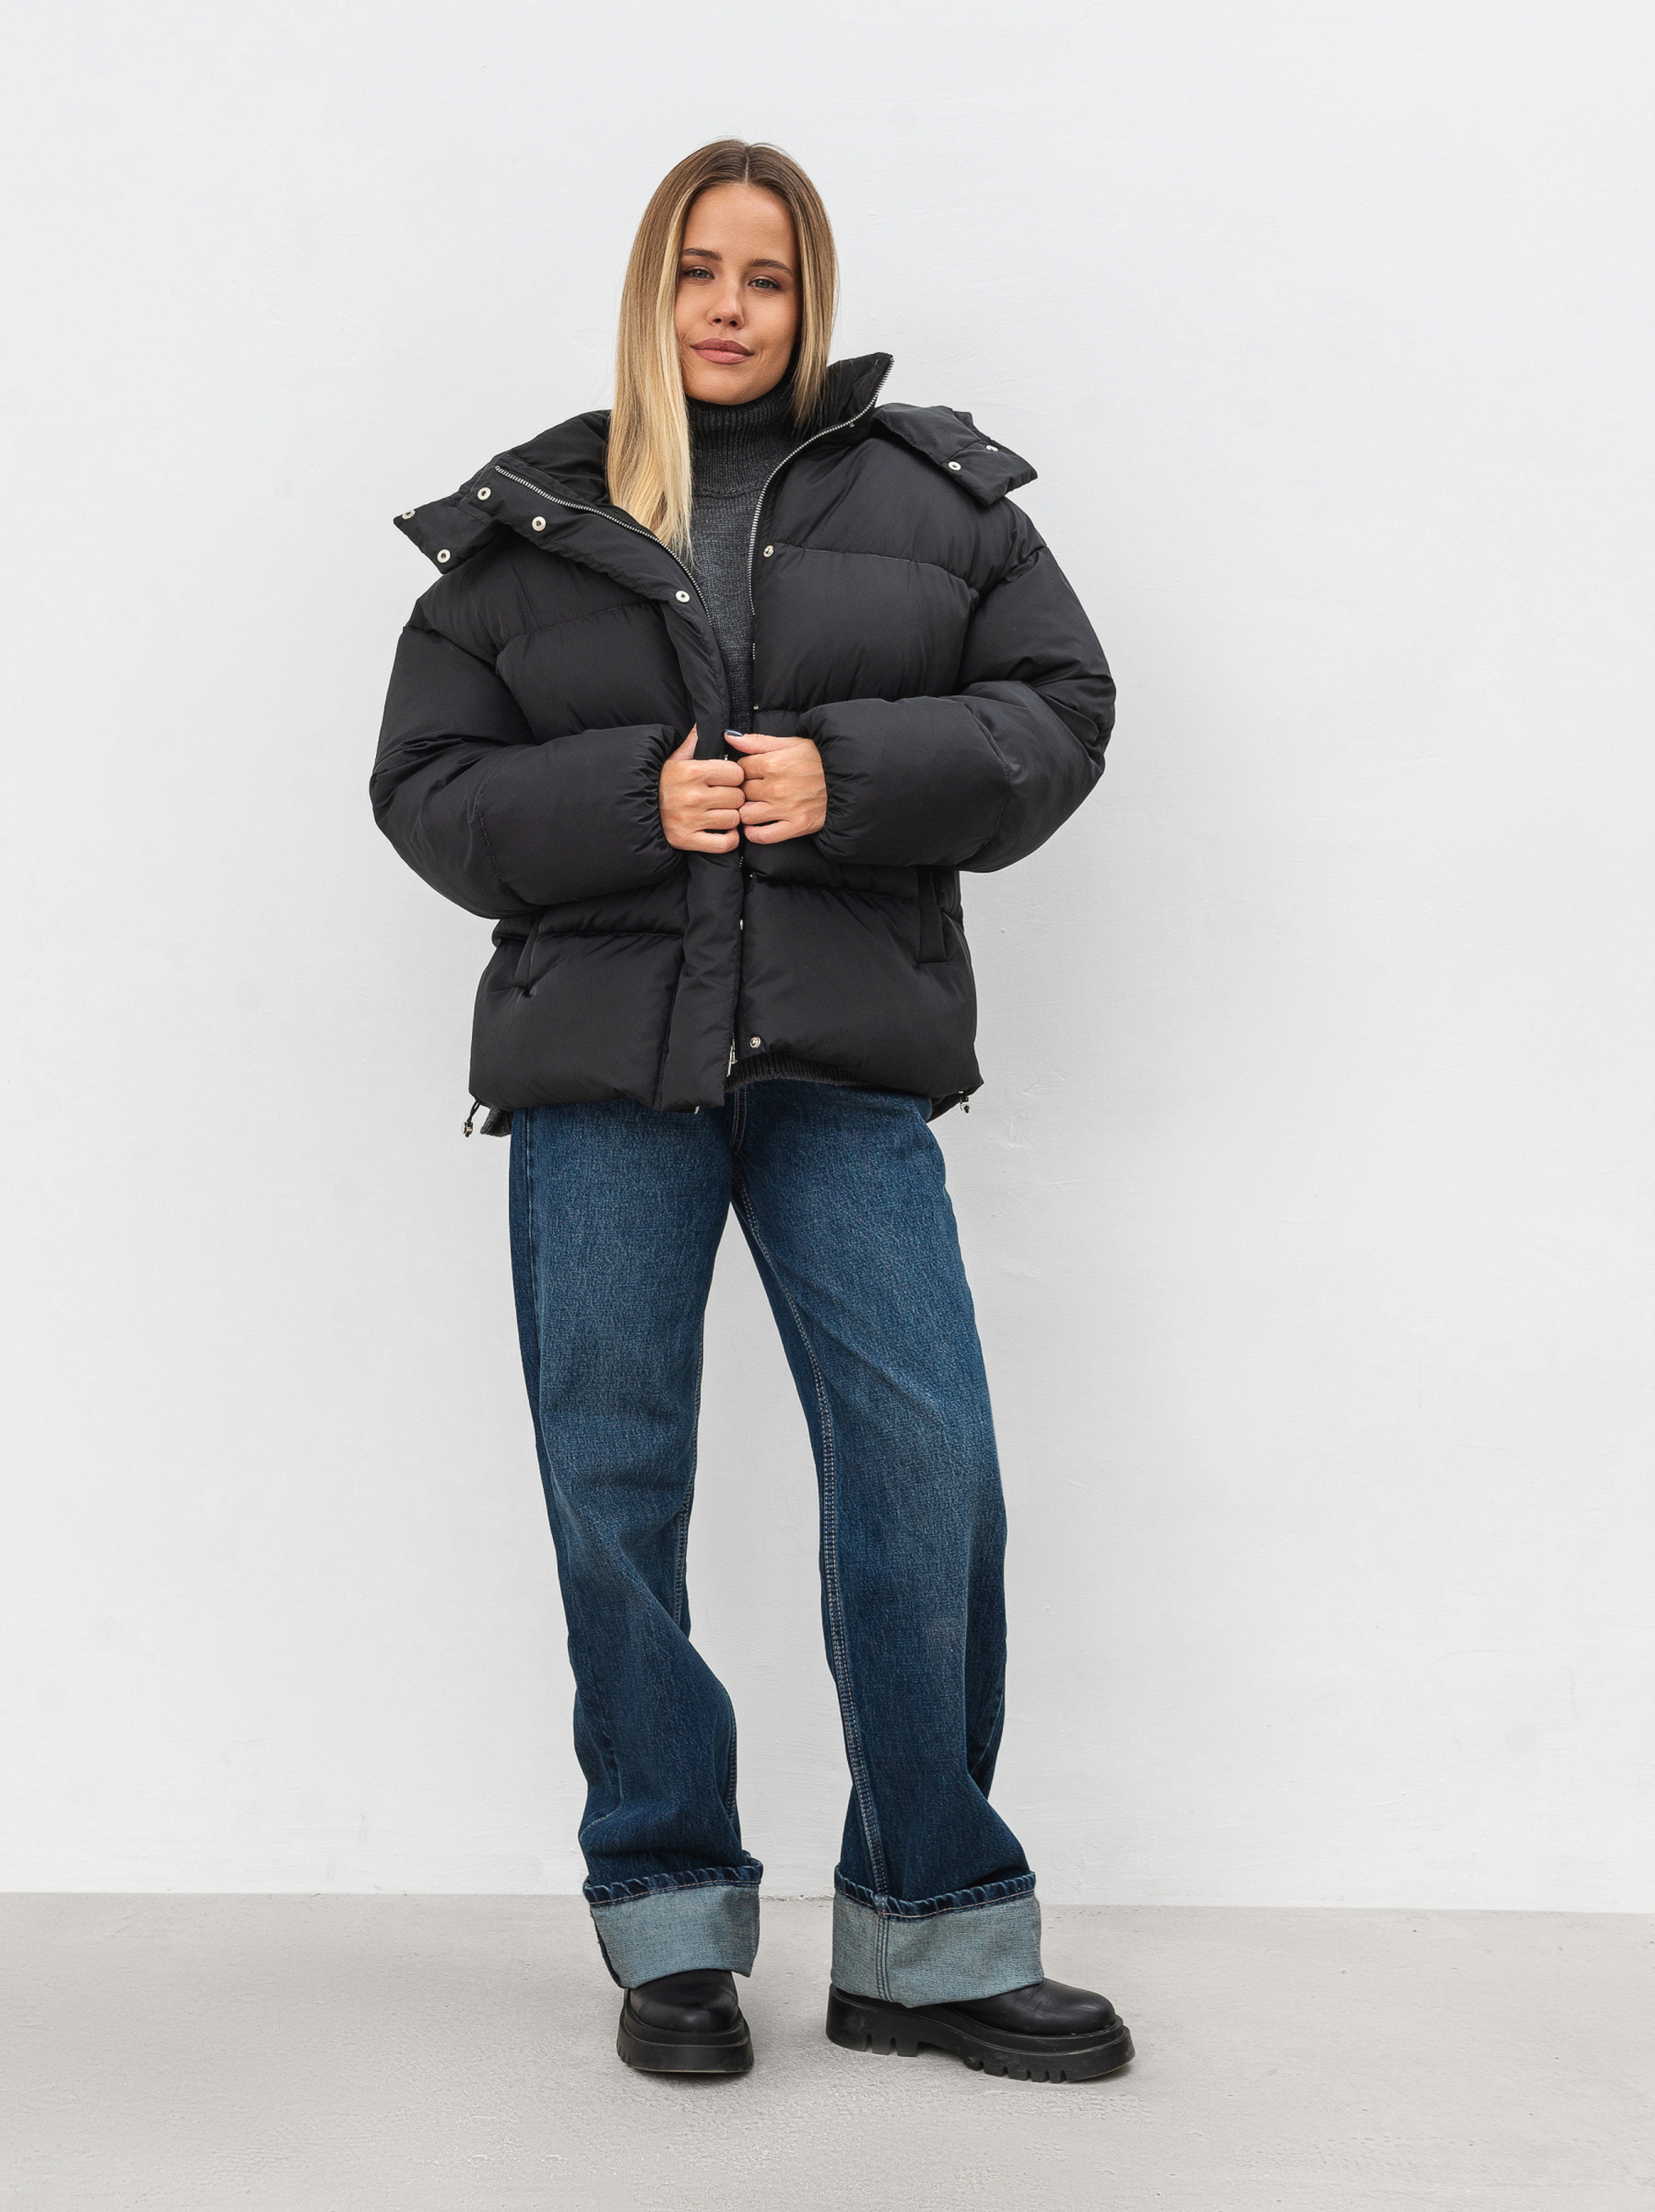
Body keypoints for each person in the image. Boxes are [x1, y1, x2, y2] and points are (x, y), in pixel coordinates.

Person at [372, 139, 1130, 2084]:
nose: (729, 307)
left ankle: (927, 1942)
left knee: (924, 1468)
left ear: (810, 300)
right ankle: (670, 1926)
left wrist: (839, 776)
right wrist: (632, 798)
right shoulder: (527, 526)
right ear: (651, 291)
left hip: (841, 1068)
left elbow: (1059, 709)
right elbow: (426, 790)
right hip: (599, 1078)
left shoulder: (930, 501)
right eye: (698, 271)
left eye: (767, 277)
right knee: (613, 1490)